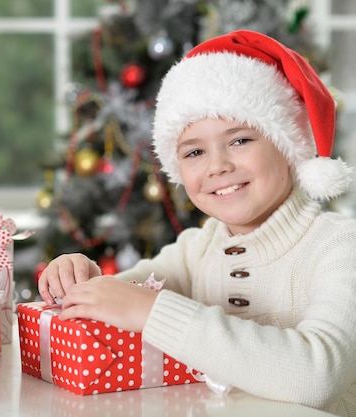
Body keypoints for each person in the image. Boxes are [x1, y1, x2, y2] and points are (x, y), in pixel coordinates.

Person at [37, 30, 356, 416]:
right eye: (195, 151)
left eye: (240, 140)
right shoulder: (197, 248)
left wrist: (152, 311)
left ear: (289, 145)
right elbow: (120, 298)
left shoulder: (340, 247)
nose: (217, 165)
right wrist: (79, 277)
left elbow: (315, 379)